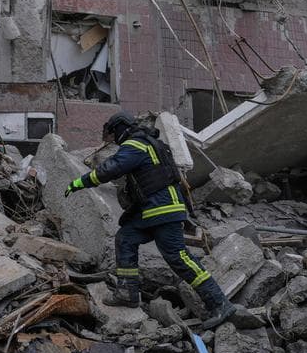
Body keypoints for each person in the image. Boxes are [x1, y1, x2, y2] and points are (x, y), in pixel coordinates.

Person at [64, 111, 236, 329]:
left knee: (178, 257)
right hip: (152, 210)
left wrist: (79, 182)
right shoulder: (148, 143)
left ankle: (219, 303)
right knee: (126, 238)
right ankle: (127, 292)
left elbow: (111, 168)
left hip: (163, 210)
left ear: (120, 128)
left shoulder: (135, 145)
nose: (111, 137)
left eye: (112, 132)